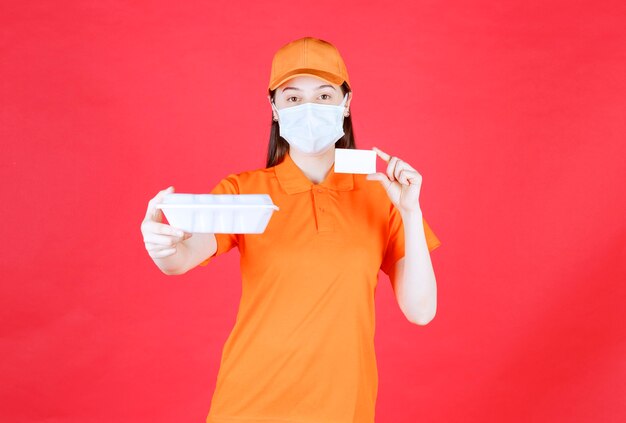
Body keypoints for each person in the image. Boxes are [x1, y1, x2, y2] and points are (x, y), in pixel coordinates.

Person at [140, 36, 442, 423]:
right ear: (275, 108)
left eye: (324, 95)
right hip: (248, 406)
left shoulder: (380, 194)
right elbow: (181, 257)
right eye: (293, 98)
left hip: (344, 409)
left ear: (346, 104)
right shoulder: (244, 191)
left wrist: (411, 213)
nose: (309, 108)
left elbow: (421, 310)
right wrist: (162, 245)